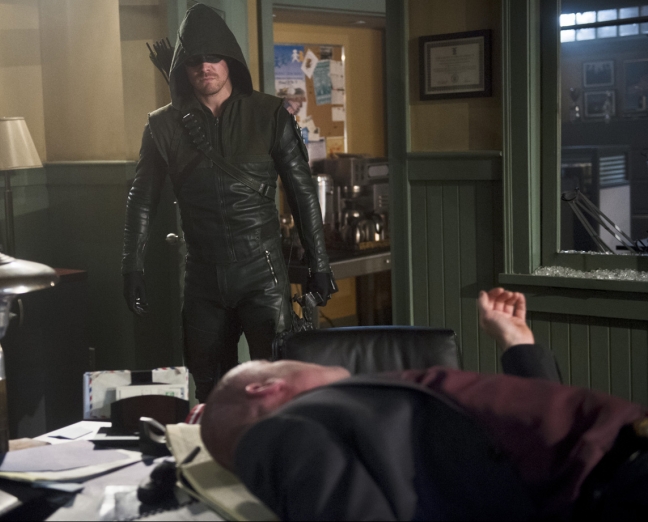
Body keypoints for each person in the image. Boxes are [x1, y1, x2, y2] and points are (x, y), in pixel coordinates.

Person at [201, 288, 648, 520]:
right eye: (277, 363)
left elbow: (526, 446)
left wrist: (518, 344)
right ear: (264, 388)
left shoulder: (345, 419)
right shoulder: (279, 433)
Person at [122, 4, 335, 402]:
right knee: (210, 391)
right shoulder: (163, 126)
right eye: (195, 60)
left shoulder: (269, 114)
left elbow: (301, 191)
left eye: (213, 57)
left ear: (230, 60)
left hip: (262, 273)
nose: (205, 67)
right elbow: (141, 198)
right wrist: (131, 263)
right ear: (183, 67)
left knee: (277, 388)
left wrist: (318, 264)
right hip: (202, 276)